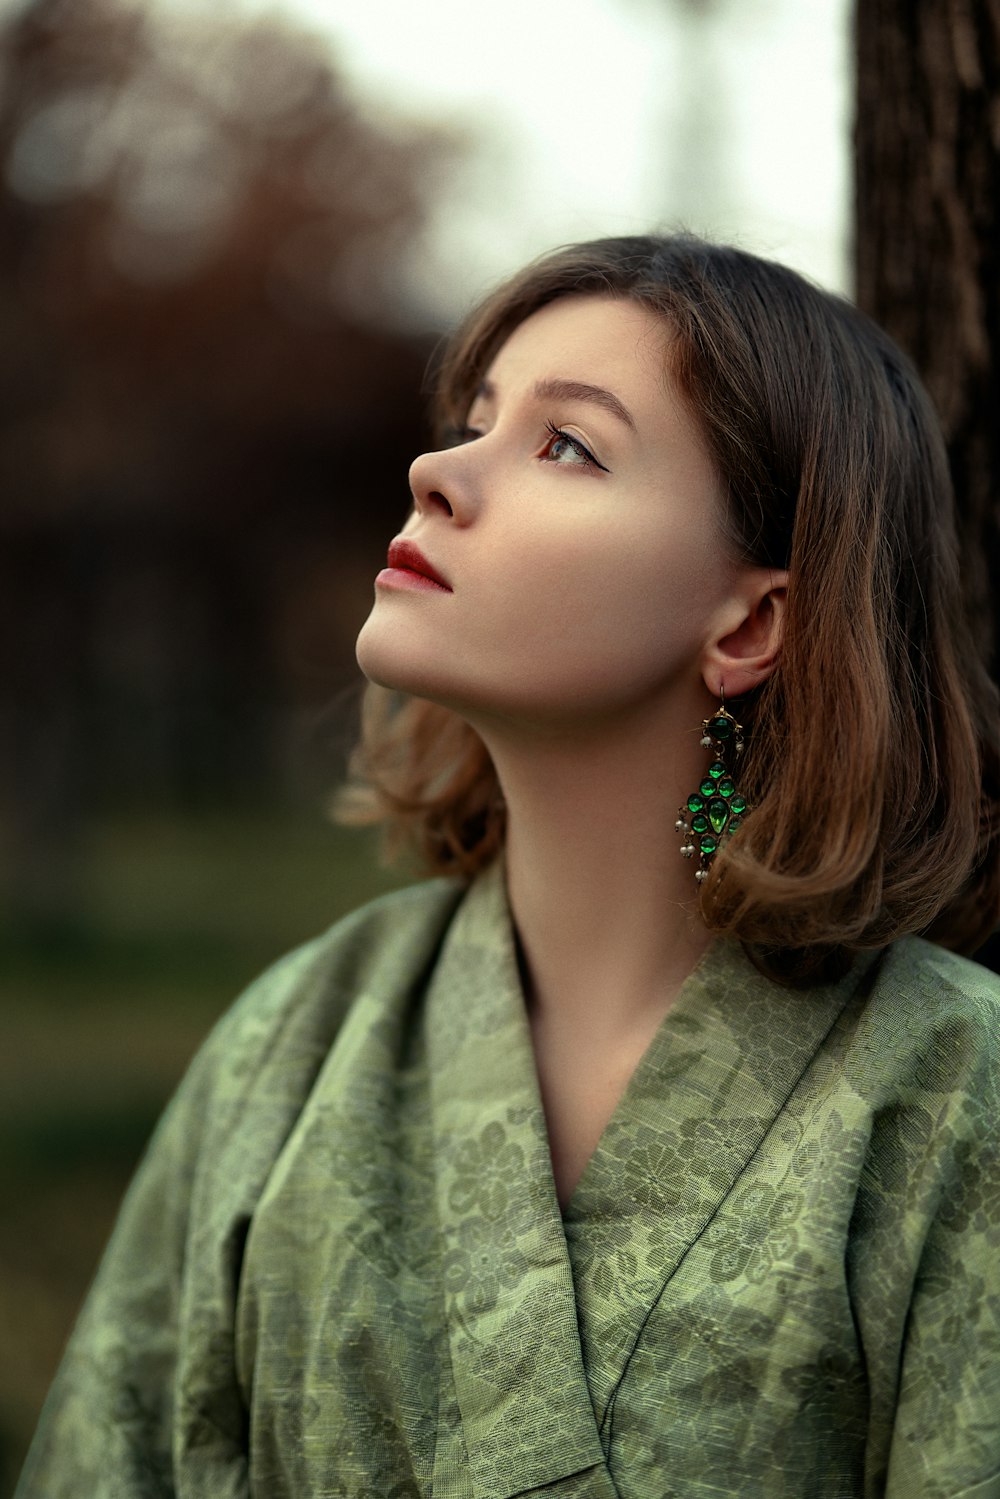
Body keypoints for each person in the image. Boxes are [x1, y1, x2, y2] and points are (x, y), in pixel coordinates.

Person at [16, 235, 1000, 1499]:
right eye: (474, 420)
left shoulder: (950, 1100)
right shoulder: (290, 1045)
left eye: (566, 445)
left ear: (749, 623)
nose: (434, 470)